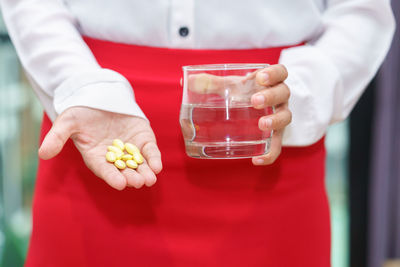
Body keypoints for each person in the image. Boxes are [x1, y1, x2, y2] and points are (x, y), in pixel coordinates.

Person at [0, 0, 395, 266]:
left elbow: (361, 12)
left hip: (267, 138)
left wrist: (305, 89)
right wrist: (77, 82)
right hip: (96, 140)